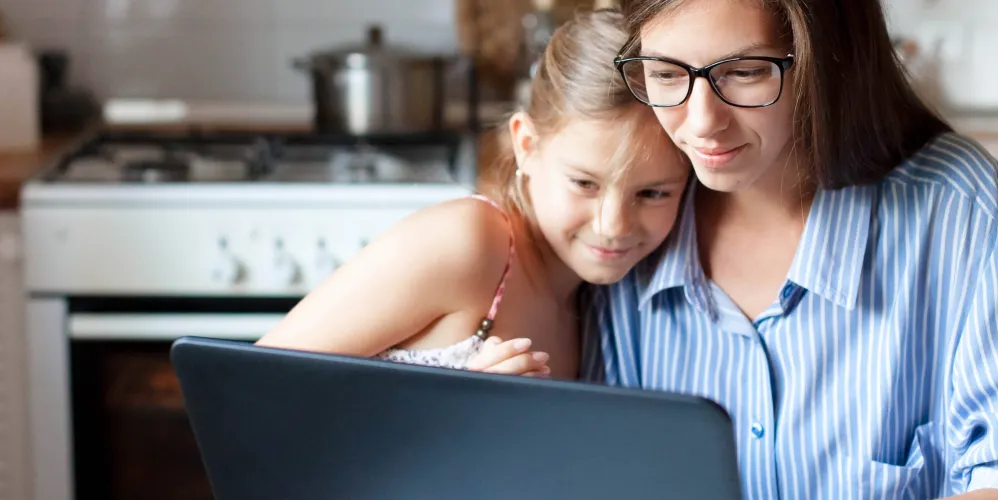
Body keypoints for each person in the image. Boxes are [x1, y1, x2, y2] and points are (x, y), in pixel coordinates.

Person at [582, 0, 998, 499]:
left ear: (826, 62)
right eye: (666, 74)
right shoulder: (611, 216)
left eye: (745, 72)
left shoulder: (957, 205)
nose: (702, 123)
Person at [255, 10, 691, 381]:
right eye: (584, 184)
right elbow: (250, 388)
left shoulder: (598, 304)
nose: (613, 225)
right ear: (526, 145)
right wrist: (459, 407)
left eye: (653, 193)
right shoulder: (469, 242)